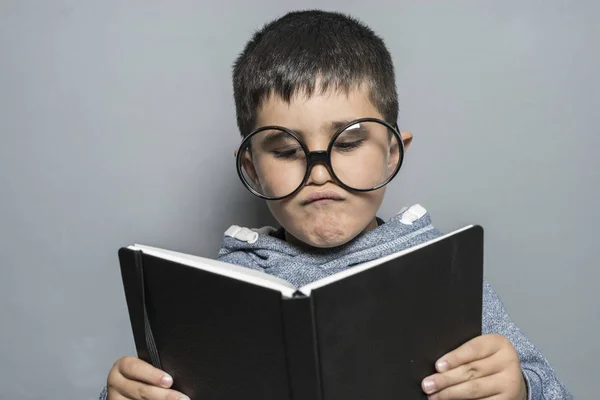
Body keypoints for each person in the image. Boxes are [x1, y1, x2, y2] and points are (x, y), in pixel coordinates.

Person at [101, 10, 572, 400]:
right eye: (286, 151)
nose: (319, 171)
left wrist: (521, 390)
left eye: (347, 143)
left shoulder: (445, 278)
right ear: (251, 167)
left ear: (392, 152)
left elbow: (552, 391)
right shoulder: (205, 294)